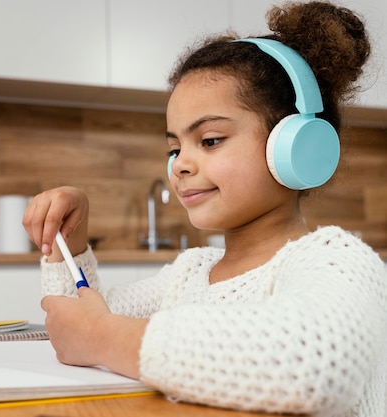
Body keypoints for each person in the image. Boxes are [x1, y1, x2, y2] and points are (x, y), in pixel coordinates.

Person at [22, 1, 387, 416]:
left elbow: (314, 366)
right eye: (174, 148)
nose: (180, 164)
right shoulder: (189, 274)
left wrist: (106, 336)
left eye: (210, 140)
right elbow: (74, 323)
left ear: (297, 147)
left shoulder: (338, 261)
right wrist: (68, 243)